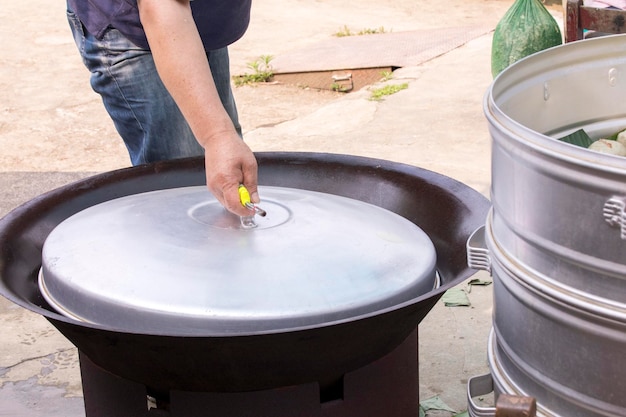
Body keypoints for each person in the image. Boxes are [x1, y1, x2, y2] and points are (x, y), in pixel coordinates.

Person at [66, 0, 259, 217]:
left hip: (203, 19)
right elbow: (162, 6)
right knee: (185, 194)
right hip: (139, 27)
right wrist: (217, 135)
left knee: (225, 171)